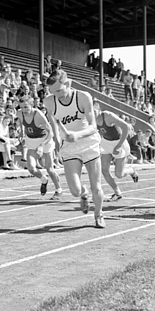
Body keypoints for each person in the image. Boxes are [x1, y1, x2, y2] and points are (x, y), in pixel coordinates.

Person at [44, 69, 105, 228]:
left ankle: (98, 215)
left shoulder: (83, 97)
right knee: (75, 191)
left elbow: (93, 127)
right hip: (69, 146)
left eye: (59, 90)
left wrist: (78, 135)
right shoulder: (49, 101)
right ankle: (83, 195)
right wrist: (57, 139)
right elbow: (54, 122)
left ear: (68, 84)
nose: (56, 95)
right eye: (52, 92)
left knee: (96, 185)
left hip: (88, 143)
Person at [17, 96, 63, 199]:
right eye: (22, 107)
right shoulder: (19, 113)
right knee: (31, 168)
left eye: (26, 107)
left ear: (32, 105)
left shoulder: (38, 115)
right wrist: (21, 131)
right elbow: (21, 121)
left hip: (45, 140)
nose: (24, 110)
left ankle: (58, 190)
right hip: (31, 140)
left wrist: (42, 146)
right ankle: (44, 180)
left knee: (49, 169)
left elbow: (50, 133)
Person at [94, 101, 138, 201]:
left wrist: (118, 146)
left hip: (119, 142)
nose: (92, 113)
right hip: (105, 142)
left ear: (99, 111)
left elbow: (126, 126)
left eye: (94, 111)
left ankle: (131, 171)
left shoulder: (108, 116)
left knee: (119, 174)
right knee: (104, 170)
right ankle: (117, 192)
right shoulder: (90, 119)